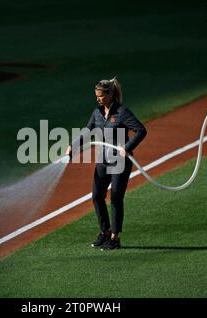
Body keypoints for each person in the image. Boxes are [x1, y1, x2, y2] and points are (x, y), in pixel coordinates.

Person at [66, 77, 147, 250]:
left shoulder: (122, 112)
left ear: (110, 95)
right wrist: (72, 146)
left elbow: (141, 130)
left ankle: (115, 238)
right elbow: (87, 132)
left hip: (120, 162)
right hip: (103, 160)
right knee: (96, 196)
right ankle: (105, 232)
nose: (98, 99)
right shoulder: (97, 112)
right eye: (96, 96)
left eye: (101, 96)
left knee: (116, 198)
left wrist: (127, 146)